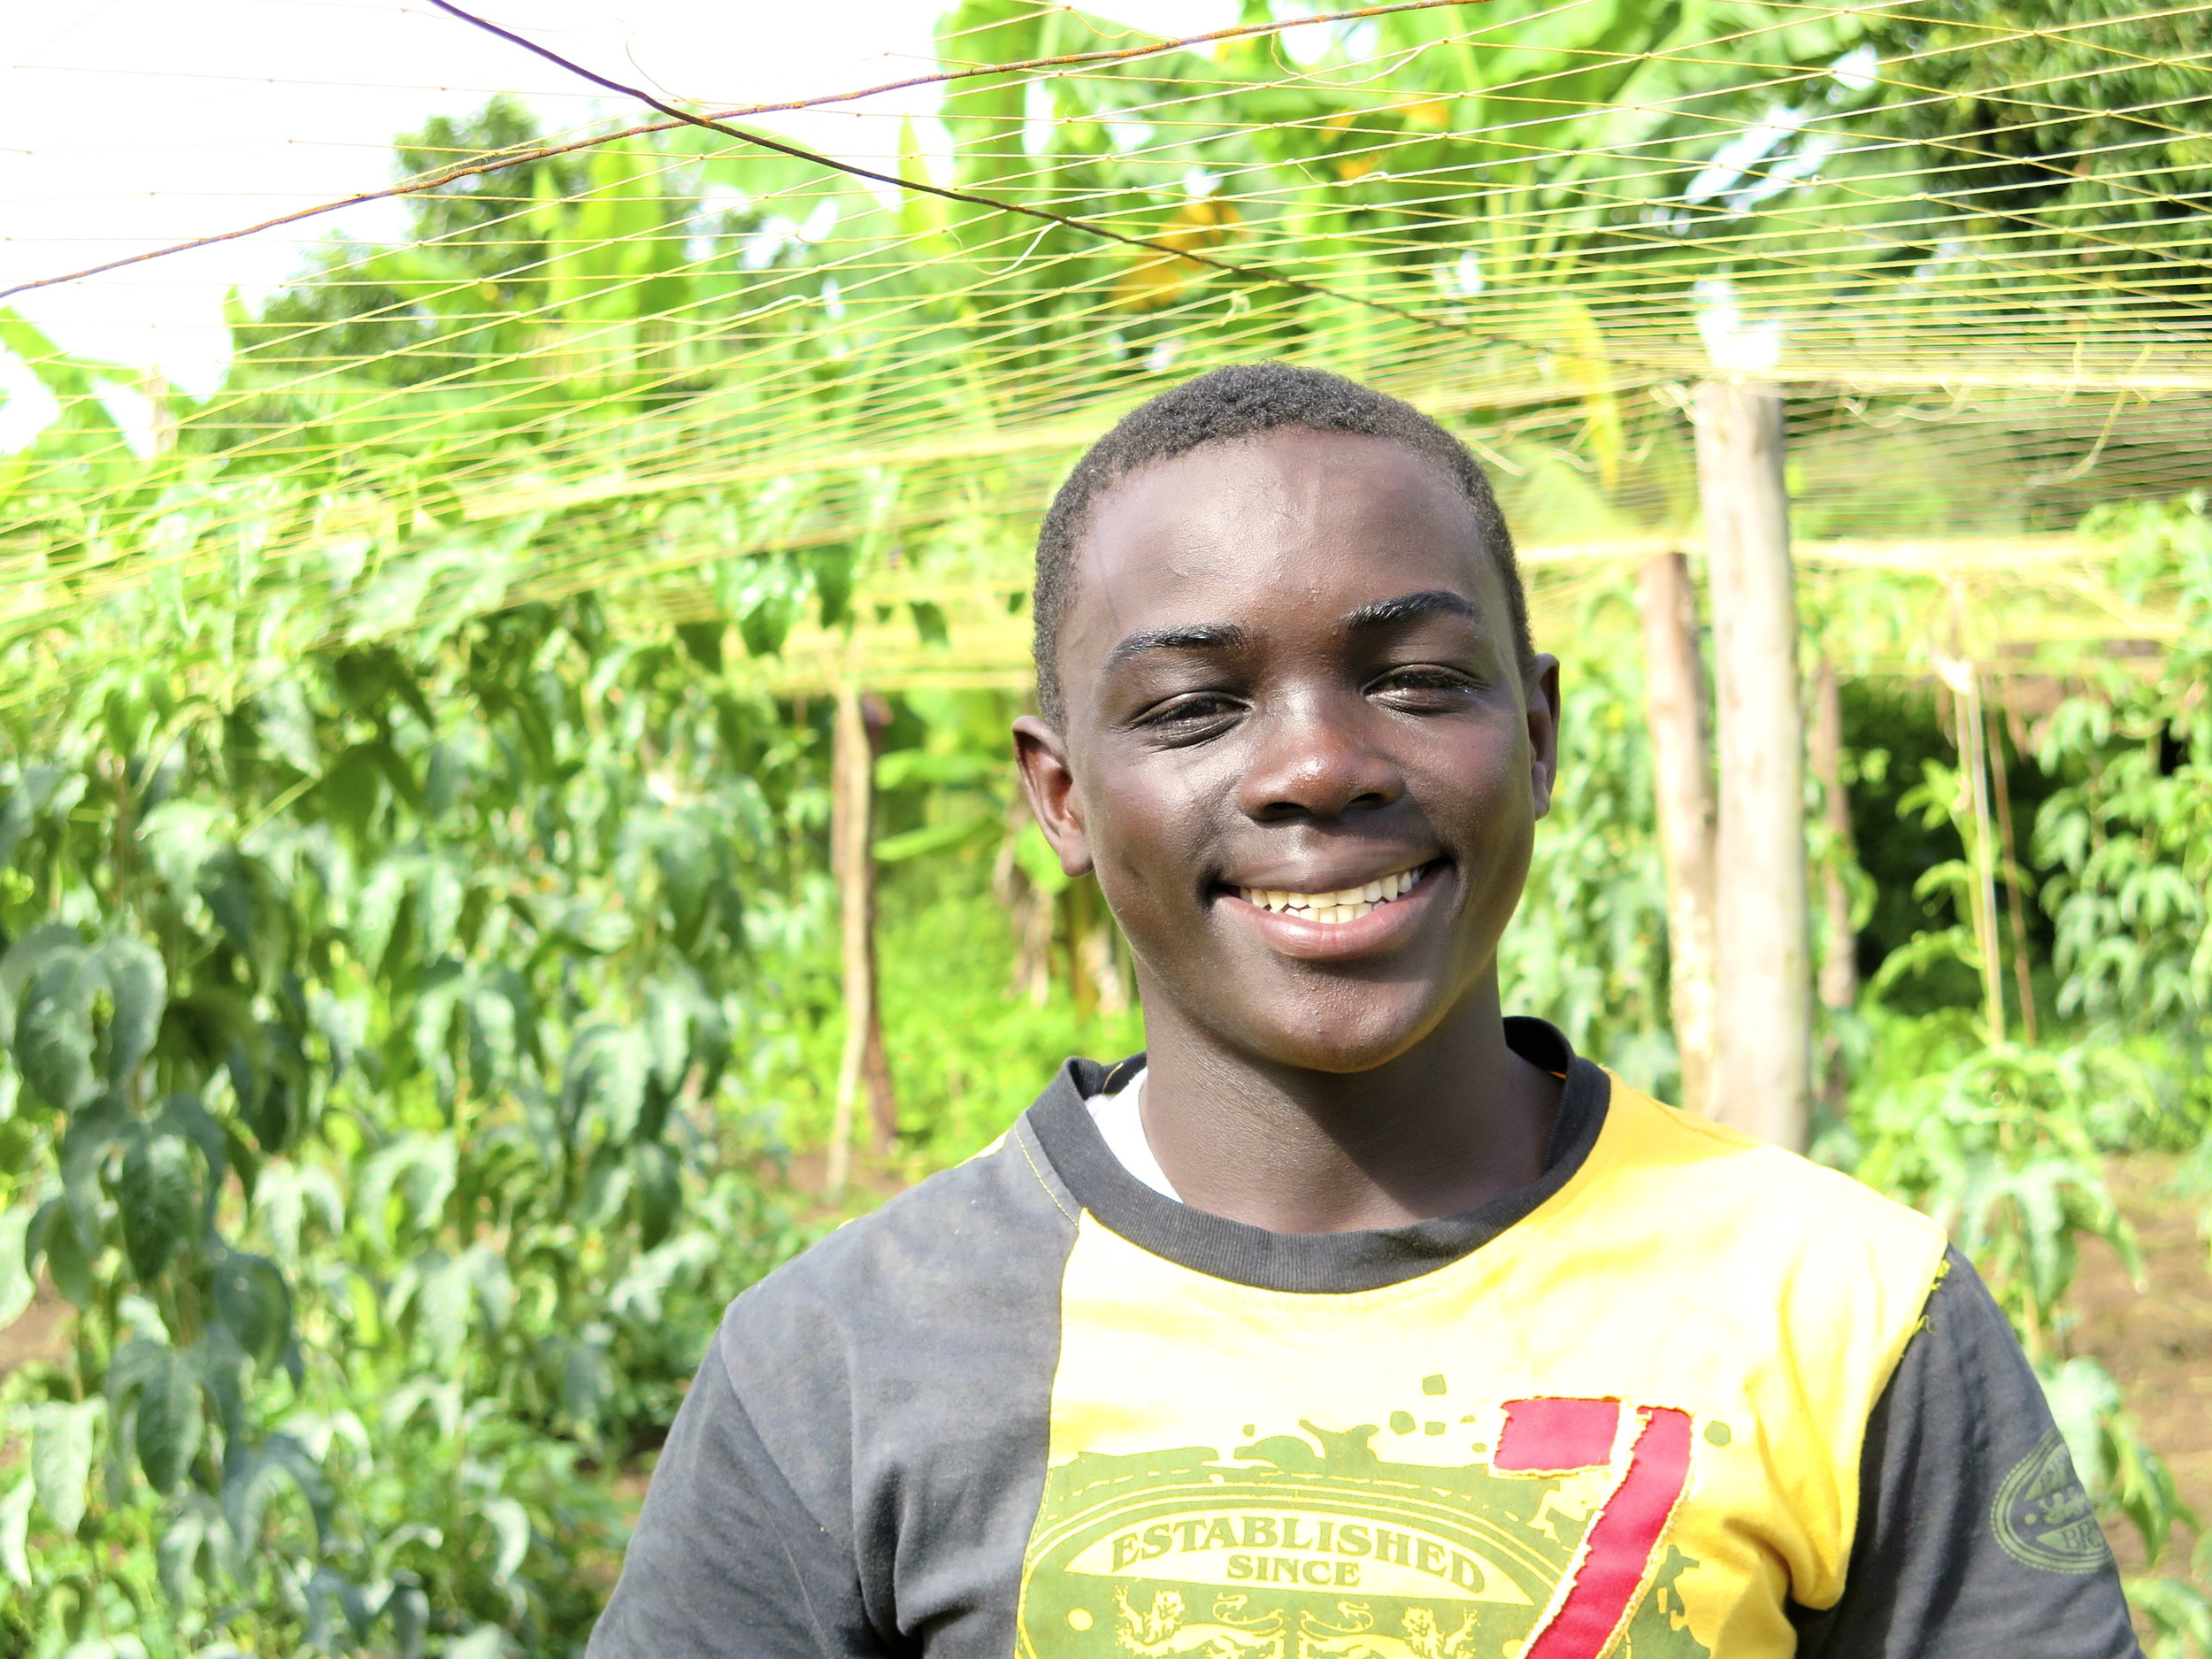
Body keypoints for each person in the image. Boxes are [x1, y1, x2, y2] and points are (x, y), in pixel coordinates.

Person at [589, 364, 2139, 1658]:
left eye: (1412, 678)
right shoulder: (846, 1363)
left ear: (1535, 734)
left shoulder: (1846, 1311)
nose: (1319, 766)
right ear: (1062, 797)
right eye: (1194, 708)